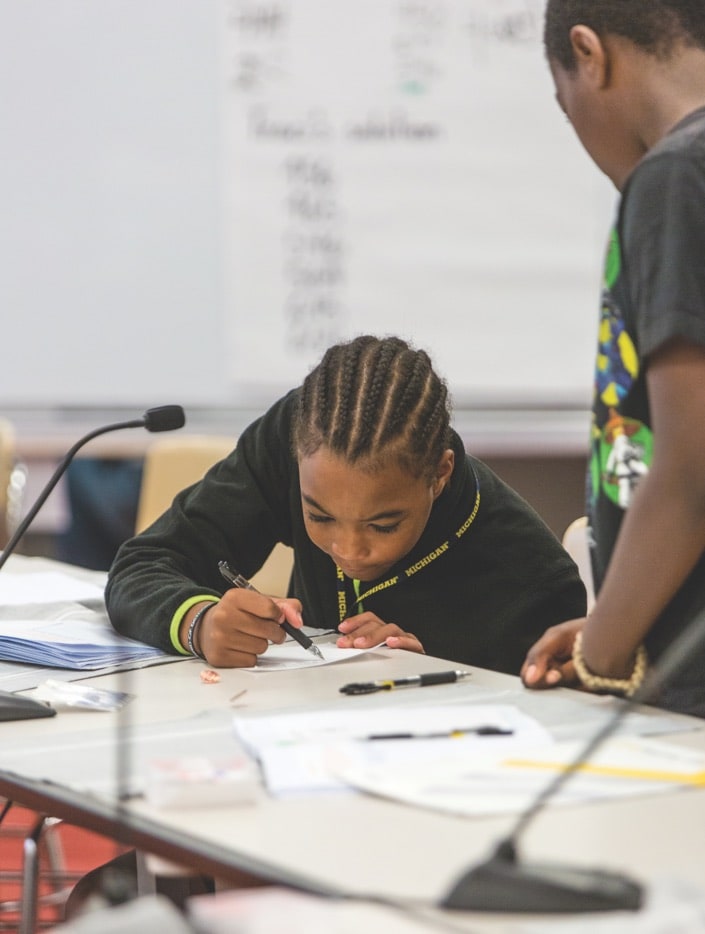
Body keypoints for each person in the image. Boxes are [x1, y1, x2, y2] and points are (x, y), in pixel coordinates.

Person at [106, 335, 586, 675]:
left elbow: (540, 720)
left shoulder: (533, 582)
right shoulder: (294, 438)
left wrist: (437, 669)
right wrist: (200, 622)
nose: (350, 549)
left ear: (438, 474)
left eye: (383, 525)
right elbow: (143, 565)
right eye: (318, 516)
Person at [521, 1, 705, 716]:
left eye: (567, 110)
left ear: (588, 54)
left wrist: (604, 654)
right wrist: (620, 621)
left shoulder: (674, 178)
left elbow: (690, 471)